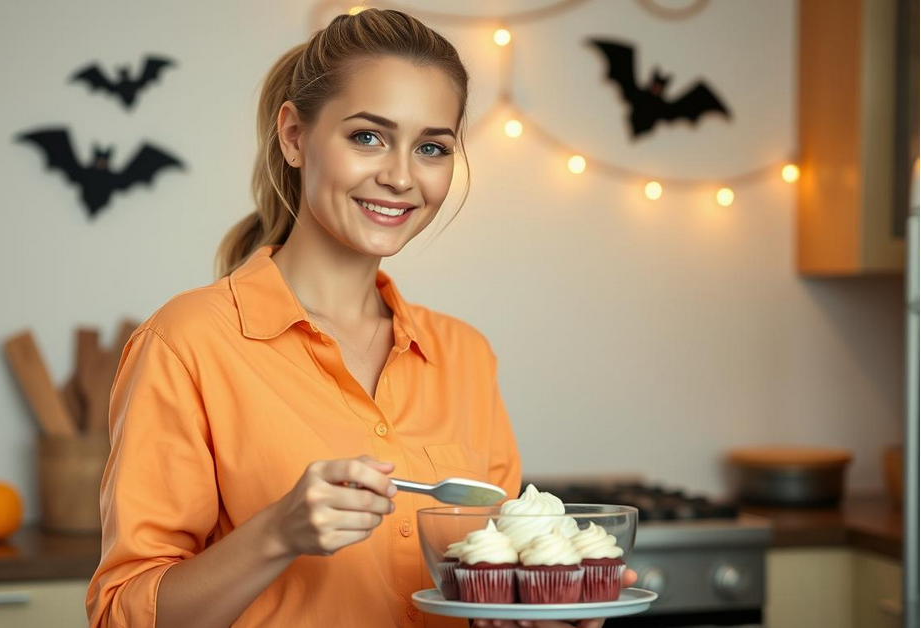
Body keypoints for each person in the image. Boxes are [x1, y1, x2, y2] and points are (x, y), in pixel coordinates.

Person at [85, 8, 634, 628]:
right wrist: (276, 534)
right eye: (368, 137)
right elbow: (121, 614)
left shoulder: (465, 354)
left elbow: (490, 584)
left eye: (431, 148)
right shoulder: (186, 343)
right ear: (294, 136)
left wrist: (543, 610)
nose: (400, 177)